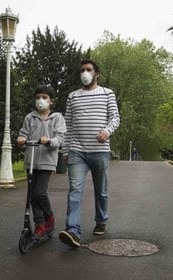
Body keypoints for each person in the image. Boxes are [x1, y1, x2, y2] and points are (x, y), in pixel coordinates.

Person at [59, 59, 120, 248]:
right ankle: (73, 231)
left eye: (88, 70)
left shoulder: (107, 93)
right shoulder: (73, 97)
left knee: (101, 191)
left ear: (97, 74)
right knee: (75, 191)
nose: (84, 73)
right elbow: (67, 125)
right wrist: (66, 150)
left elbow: (115, 118)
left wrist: (107, 131)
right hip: (77, 152)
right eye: (82, 70)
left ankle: (101, 220)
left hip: (100, 152)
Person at [17, 85, 66, 239]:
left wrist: (49, 141)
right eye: (38, 97)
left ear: (51, 101)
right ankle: (40, 224)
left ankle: (49, 217)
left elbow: (60, 138)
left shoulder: (57, 117)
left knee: (40, 192)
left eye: (44, 97)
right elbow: (23, 134)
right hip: (31, 160)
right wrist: (21, 139)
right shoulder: (29, 117)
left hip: (47, 160)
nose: (40, 100)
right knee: (31, 194)